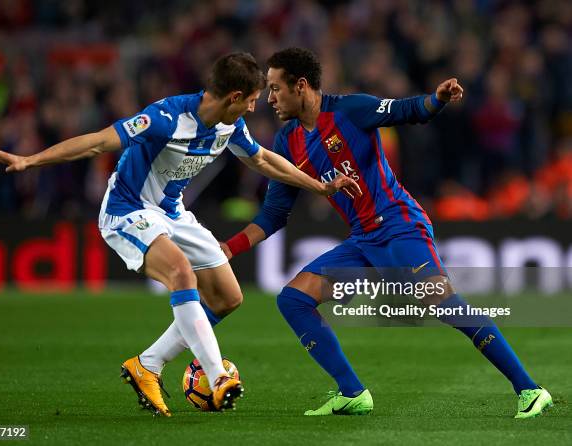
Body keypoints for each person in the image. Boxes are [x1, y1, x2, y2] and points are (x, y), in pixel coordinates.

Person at [0, 52, 361, 417]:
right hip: (128, 210)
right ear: (234, 97)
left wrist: (318, 186)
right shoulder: (163, 118)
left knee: (228, 297)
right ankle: (219, 377)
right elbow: (97, 141)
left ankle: (149, 364)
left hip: (172, 213)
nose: (253, 109)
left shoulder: (230, 125)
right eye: (252, 101)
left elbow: (261, 159)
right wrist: (29, 160)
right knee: (182, 273)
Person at [221, 48, 552, 418]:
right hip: (363, 240)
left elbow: (403, 111)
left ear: (301, 86)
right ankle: (351, 392)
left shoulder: (350, 110)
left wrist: (436, 100)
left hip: (399, 226)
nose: (269, 98)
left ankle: (530, 389)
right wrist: (230, 249)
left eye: (275, 88)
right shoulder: (287, 142)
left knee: (442, 303)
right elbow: (274, 212)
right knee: (293, 300)